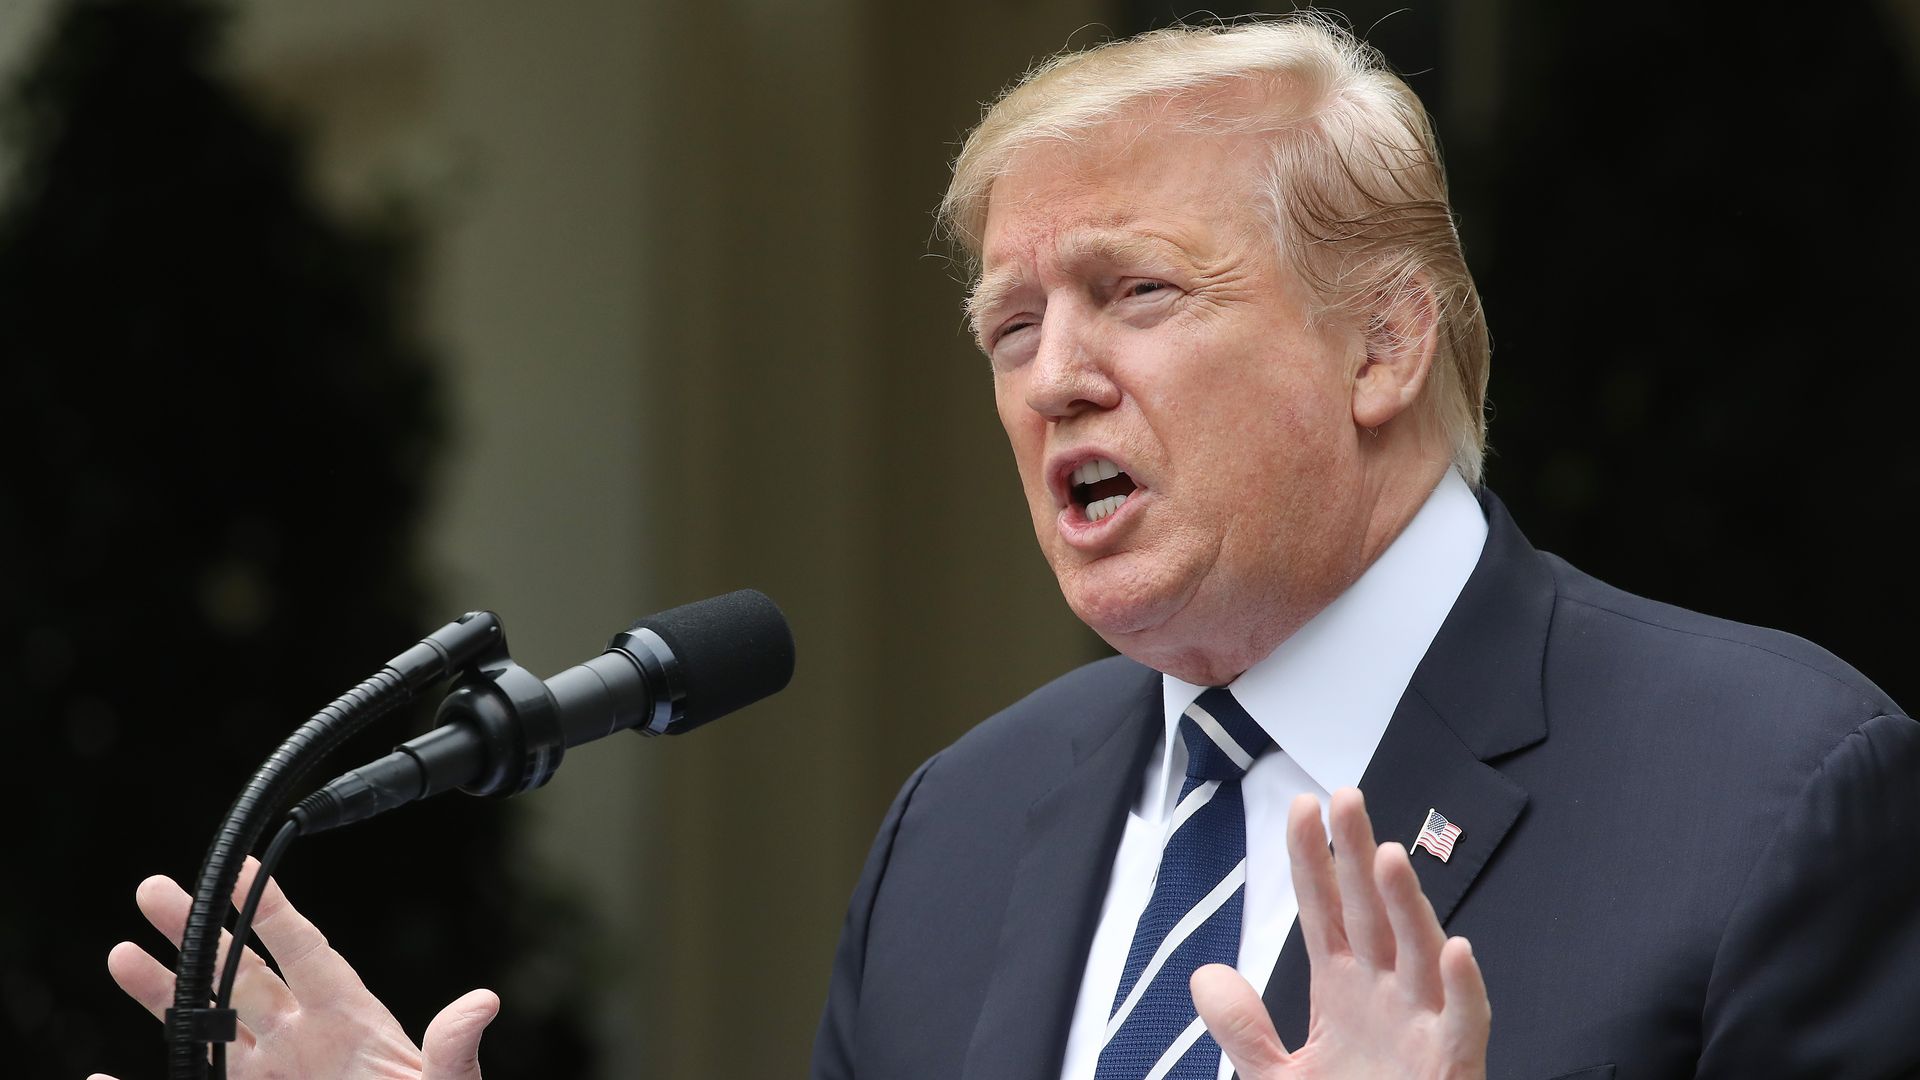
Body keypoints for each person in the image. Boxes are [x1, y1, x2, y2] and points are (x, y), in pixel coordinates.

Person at [99, 17, 1920, 1080]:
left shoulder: (1768, 792)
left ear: (1385, 342)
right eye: (1008, 328)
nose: (1054, 378)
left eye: (1135, 292)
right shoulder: (965, 830)